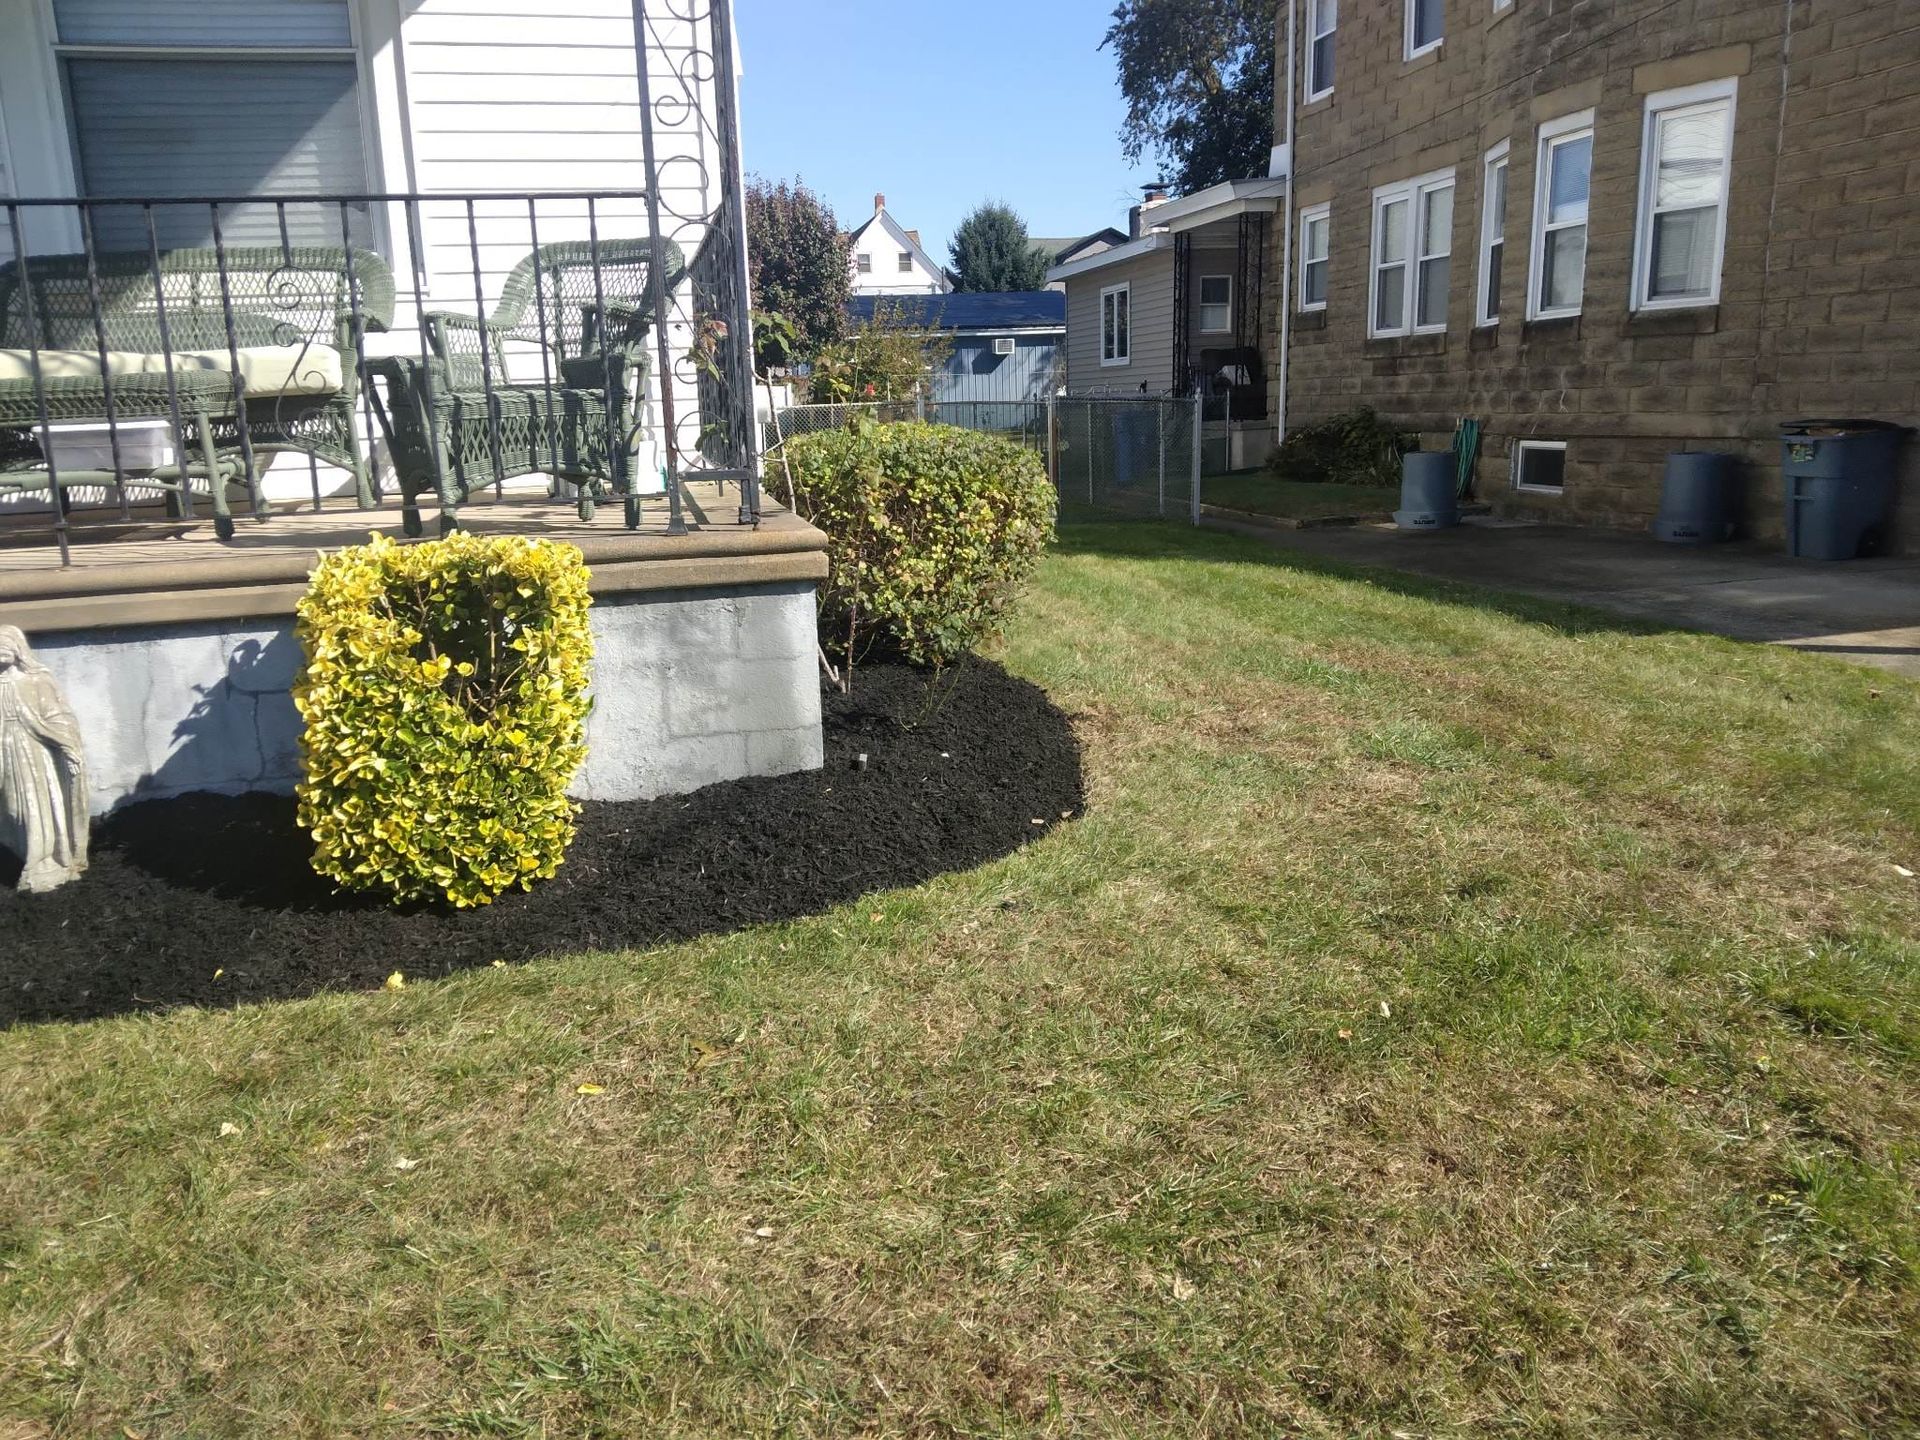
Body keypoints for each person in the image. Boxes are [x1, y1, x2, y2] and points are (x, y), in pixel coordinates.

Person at [0, 625, 89, 892]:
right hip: (5, 751)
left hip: (34, 752)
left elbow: (59, 716)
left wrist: (67, 744)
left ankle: (44, 862)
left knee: (35, 807)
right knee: (14, 808)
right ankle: (22, 851)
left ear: (18, 650)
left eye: (5, 646)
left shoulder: (37, 680)